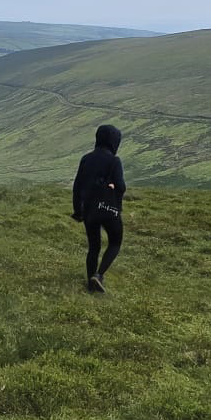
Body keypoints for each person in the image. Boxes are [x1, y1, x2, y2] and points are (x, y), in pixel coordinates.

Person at [71, 124, 126, 293]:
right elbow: (121, 186)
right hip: (109, 209)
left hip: (89, 210)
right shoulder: (114, 161)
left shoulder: (86, 159)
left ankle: (90, 285)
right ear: (114, 141)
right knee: (115, 242)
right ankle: (99, 275)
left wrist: (78, 211)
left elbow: (77, 186)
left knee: (94, 247)